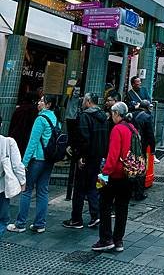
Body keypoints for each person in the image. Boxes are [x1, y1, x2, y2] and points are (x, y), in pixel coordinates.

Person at [7, 95, 59, 234]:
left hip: (37, 159)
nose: (39, 103)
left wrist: (23, 163)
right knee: (43, 190)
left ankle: (20, 223)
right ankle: (40, 224)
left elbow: (33, 142)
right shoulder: (55, 119)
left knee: (27, 190)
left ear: (48, 104)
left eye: (42, 101)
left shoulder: (40, 119)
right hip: (49, 160)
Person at [91, 102, 135, 252]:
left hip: (115, 174)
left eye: (112, 113)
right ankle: (118, 241)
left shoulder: (118, 129)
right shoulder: (132, 128)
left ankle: (106, 239)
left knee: (105, 205)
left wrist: (104, 173)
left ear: (117, 114)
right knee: (122, 208)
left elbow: (113, 155)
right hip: (129, 174)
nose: (111, 116)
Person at [62, 92, 109, 229]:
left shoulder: (85, 117)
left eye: (84, 100)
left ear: (88, 101)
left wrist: (80, 156)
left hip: (86, 157)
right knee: (93, 186)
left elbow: (83, 138)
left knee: (79, 189)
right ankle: (95, 215)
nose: (82, 102)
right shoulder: (103, 118)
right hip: (98, 157)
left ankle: (76, 219)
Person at [0, 114, 26, 238]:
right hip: (1, 187)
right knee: (3, 218)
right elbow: (17, 164)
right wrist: (22, 181)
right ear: (1, 125)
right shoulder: (7, 142)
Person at [132, 100, 156, 200]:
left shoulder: (132, 114)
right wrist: (153, 149)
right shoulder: (147, 117)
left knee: (131, 167)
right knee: (141, 170)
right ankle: (139, 193)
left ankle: (131, 190)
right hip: (142, 146)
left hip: (131, 146)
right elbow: (150, 134)